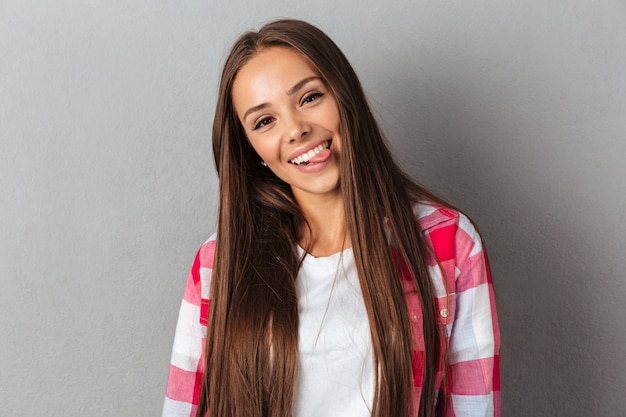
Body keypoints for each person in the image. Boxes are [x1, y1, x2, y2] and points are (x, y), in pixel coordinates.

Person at [163, 19, 500, 417]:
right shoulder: (218, 264)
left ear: (344, 95)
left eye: (308, 98)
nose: (296, 130)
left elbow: (474, 408)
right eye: (264, 121)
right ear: (251, 148)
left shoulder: (449, 244)